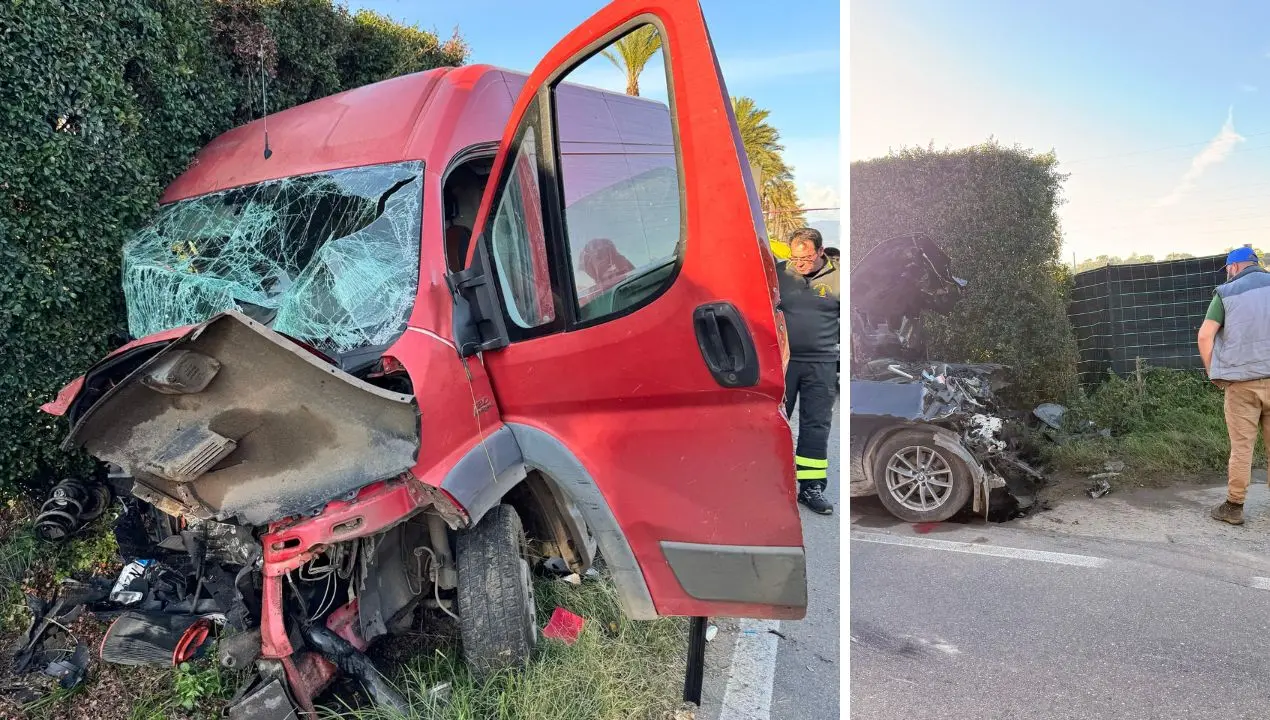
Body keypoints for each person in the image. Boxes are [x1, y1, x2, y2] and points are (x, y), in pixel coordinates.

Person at [1198, 246, 1270, 525]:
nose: (1227, 273)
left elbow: (1205, 336)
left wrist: (1213, 372)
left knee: (1242, 446)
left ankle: (1233, 507)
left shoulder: (1226, 293)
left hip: (1241, 384)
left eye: (1228, 268)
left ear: (1236, 267)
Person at [777, 228, 840, 515]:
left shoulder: (839, 278)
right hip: (784, 363)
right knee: (774, 422)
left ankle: (811, 487)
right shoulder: (779, 274)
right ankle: (768, 484)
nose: (799, 263)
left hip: (822, 363)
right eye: (795, 257)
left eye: (806, 257)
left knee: (816, 426)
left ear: (820, 251)